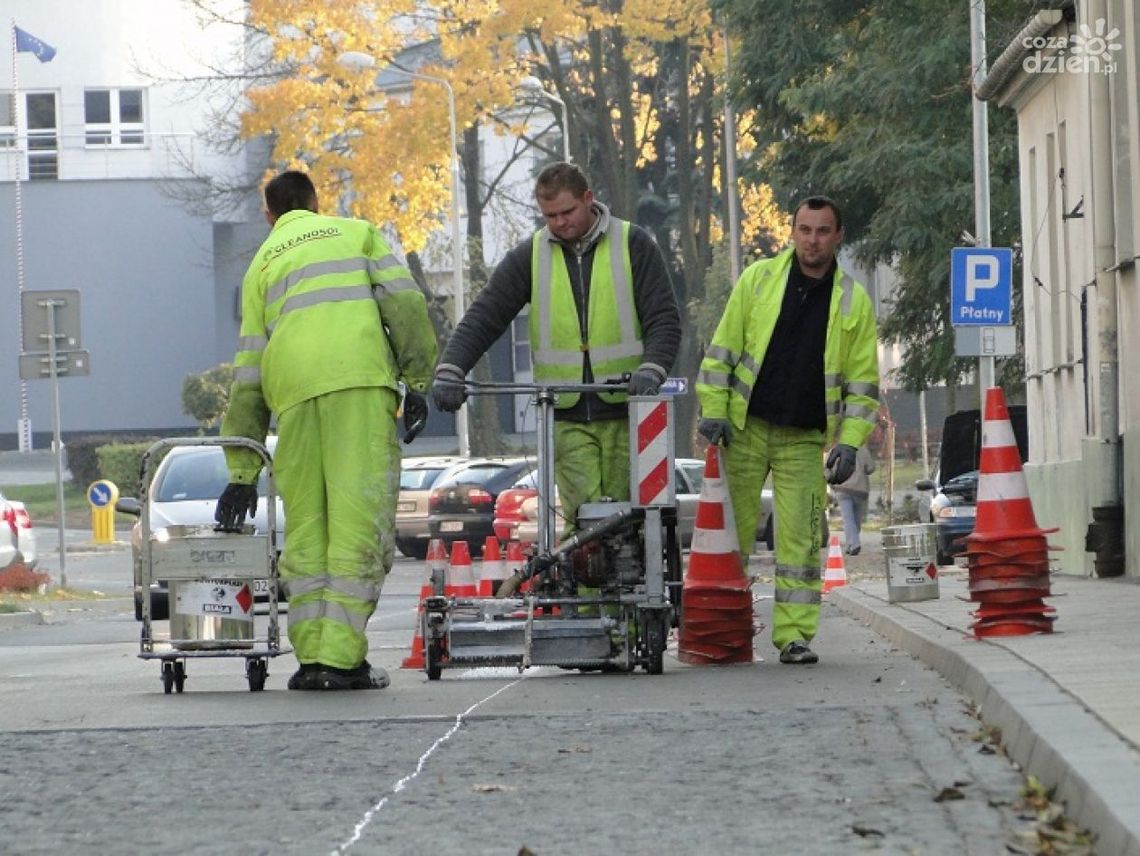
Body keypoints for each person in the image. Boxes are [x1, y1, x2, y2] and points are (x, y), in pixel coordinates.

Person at [215, 170, 438, 691]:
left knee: (309, 530)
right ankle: (342, 660)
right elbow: (405, 304)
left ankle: (313, 659)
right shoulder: (356, 232)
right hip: (358, 386)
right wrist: (418, 379)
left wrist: (242, 469)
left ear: (269, 216)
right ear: (317, 202)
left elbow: (248, 371)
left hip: (291, 397)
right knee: (358, 523)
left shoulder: (261, 266)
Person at [431, 161, 681, 537]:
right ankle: (585, 595)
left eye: (568, 212)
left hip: (629, 412)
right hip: (566, 416)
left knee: (632, 524)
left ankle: (631, 591)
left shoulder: (633, 244)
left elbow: (664, 318)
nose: (560, 223)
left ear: (589, 199)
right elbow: (486, 315)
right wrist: (451, 368)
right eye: (550, 216)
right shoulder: (530, 256)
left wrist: (653, 369)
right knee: (586, 528)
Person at [695, 196, 879, 665]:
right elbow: (722, 353)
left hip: (804, 439)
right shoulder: (759, 281)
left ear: (838, 236)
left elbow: (862, 386)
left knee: (799, 543)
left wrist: (851, 443)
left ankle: (794, 637)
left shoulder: (853, 302)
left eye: (822, 231)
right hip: (744, 430)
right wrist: (713, 410)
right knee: (728, 538)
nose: (812, 240)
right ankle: (724, 631)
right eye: (804, 229)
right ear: (791, 231)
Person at [834, 444, 875, 555]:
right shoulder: (863, 450)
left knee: (848, 519)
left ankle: (852, 544)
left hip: (843, 489)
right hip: (860, 490)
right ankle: (852, 544)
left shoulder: (837, 449)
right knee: (856, 520)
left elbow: (830, 468)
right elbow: (871, 468)